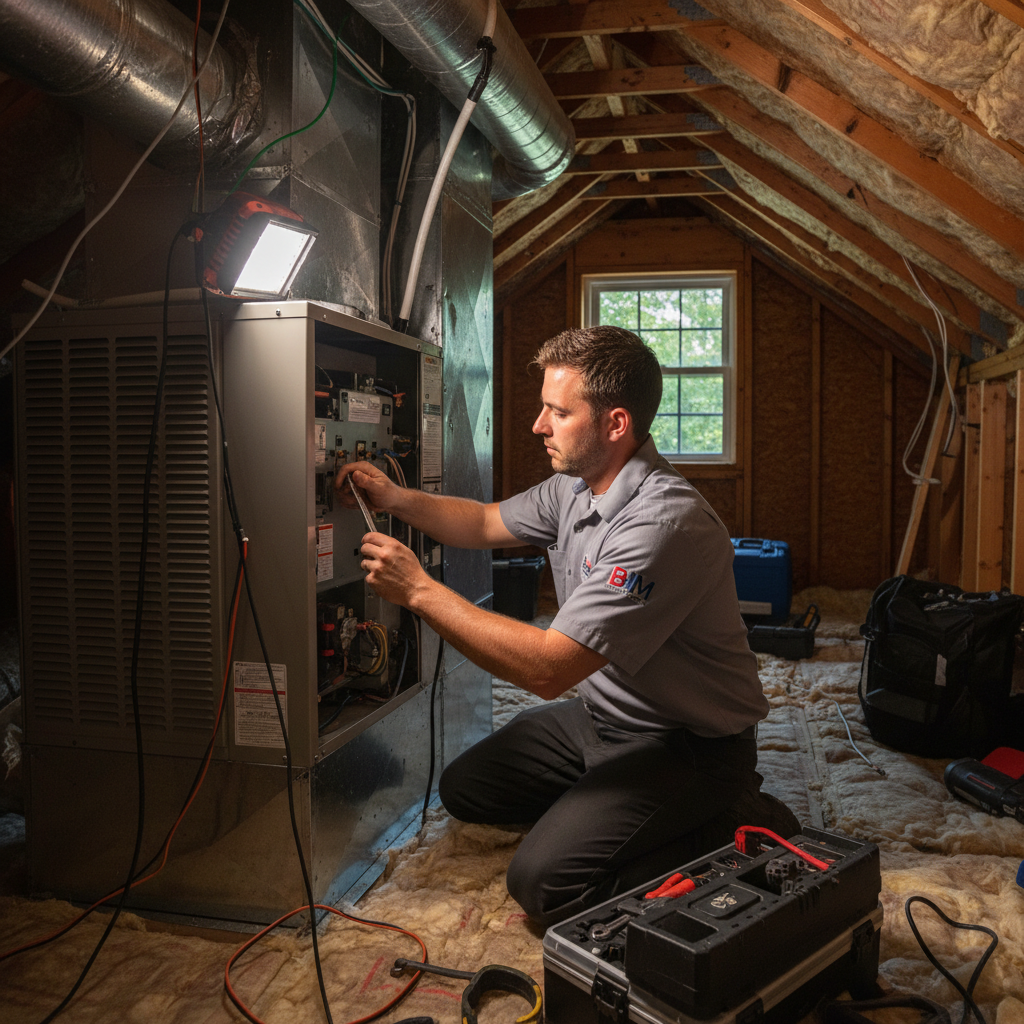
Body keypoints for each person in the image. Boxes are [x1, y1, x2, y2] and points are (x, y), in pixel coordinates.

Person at [334, 325, 795, 927]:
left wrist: (419, 590)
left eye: (558, 411)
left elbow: (548, 669)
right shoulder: (574, 488)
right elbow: (482, 522)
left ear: (616, 424)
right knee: (466, 788)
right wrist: (395, 498)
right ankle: (616, 804)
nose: (538, 425)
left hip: (689, 744)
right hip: (603, 720)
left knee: (545, 884)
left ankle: (732, 821)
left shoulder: (662, 525)